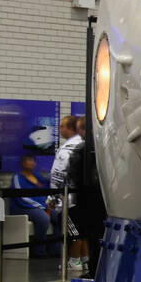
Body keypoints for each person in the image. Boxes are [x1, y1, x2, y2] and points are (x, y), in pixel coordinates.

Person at [67, 116, 106, 278]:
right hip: (102, 199)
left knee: (91, 235)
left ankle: (94, 267)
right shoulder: (104, 148)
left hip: (86, 199)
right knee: (98, 235)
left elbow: (72, 175)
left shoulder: (80, 150)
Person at [49, 115, 87, 270]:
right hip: (83, 196)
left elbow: (58, 175)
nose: (60, 129)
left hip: (68, 198)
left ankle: (75, 259)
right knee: (83, 228)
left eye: (62, 126)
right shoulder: (84, 145)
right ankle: (85, 257)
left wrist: (52, 198)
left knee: (73, 230)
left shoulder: (66, 150)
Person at [11, 154, 53, 257]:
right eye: (28, 160)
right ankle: (39, 251)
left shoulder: (37, 176)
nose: (31, 163)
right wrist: (42, 206)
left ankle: (55, 250)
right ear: (23, 163)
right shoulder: (18, 177)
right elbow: (21, 197)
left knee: (59, 216)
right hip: (22, 207)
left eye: (33, 160)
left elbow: (47, 187)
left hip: (41, 206)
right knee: (44, 219)